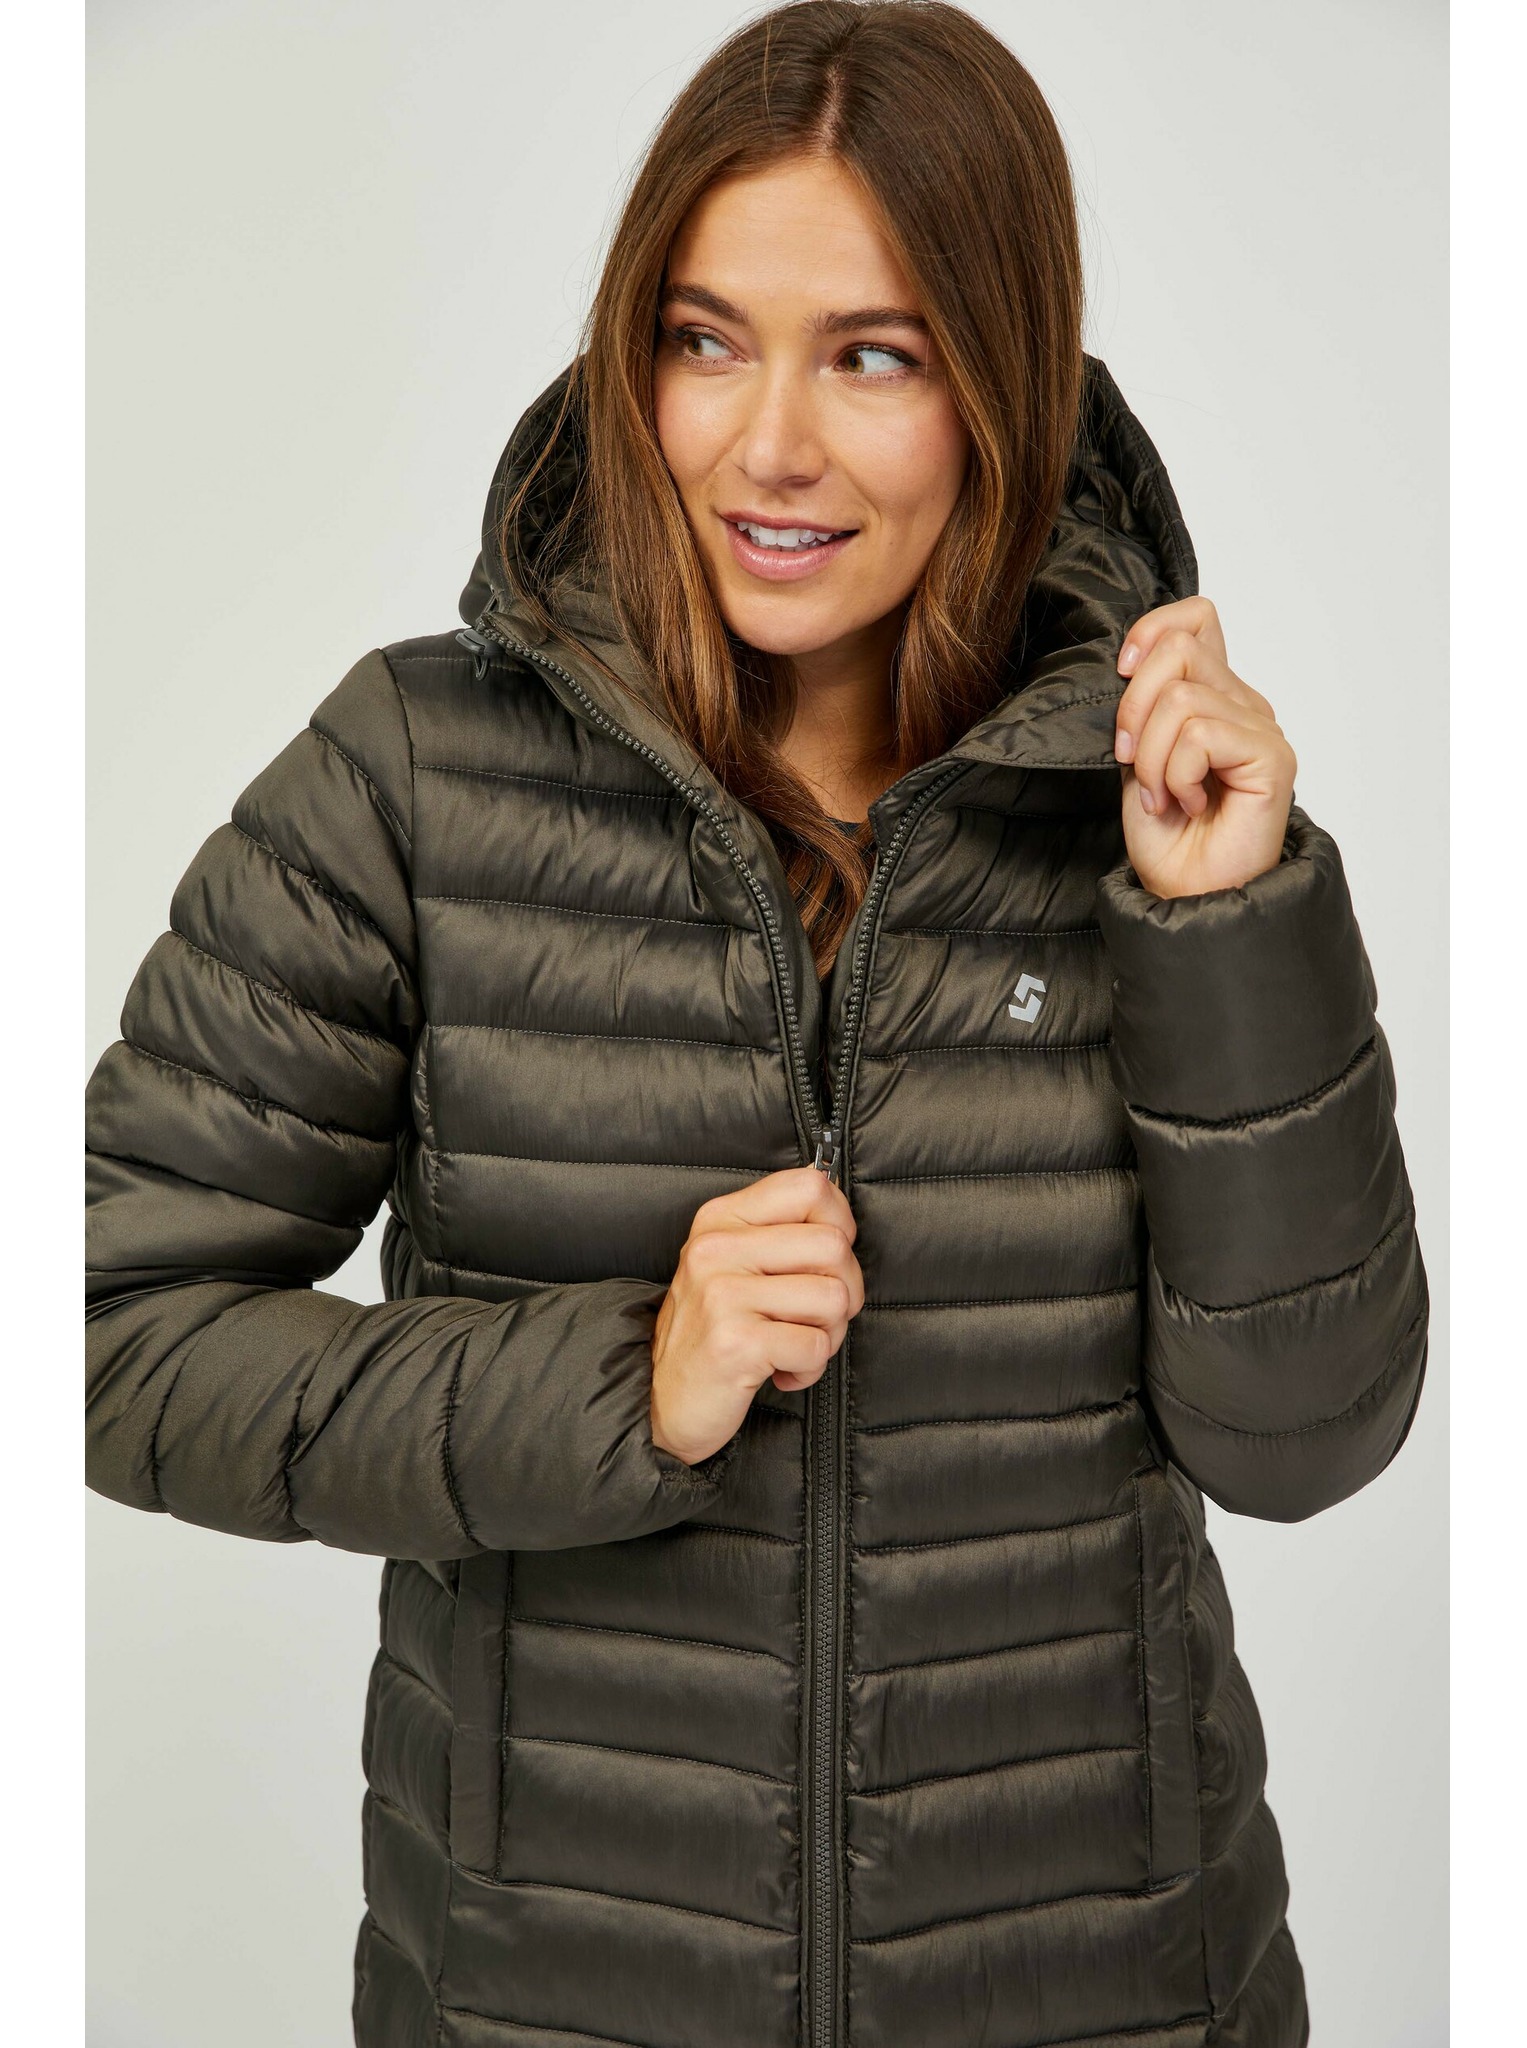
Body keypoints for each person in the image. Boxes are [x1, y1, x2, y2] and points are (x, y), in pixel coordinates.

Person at [84, 4, 1429, 2044]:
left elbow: (1308, 1437)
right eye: (706, 339)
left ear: (1004, 384)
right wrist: (628, 1378)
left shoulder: (1157, 824)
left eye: (873, 355)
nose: (768, 443)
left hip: (1109, 1993)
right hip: (551, 1997)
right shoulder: (416, 781)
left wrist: (1225, 928)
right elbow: (106, 1329)